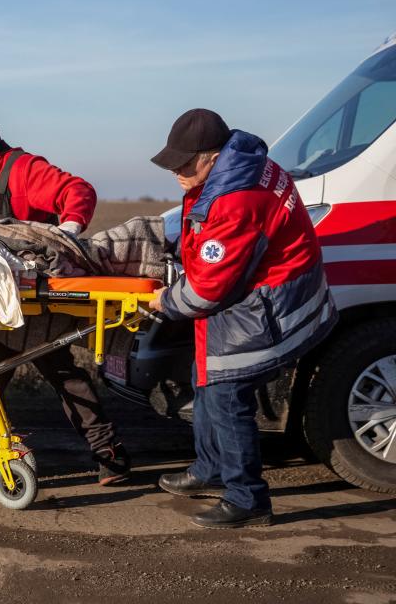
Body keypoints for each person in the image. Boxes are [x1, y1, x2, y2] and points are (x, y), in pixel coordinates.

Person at [149, 108, 337, 528]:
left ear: (213, 158)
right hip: (253, 293)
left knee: (225, 393)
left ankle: (247, 499)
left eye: (185, 162)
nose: (176, 170)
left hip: (266, 303)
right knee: (204, 375)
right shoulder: (243, 166)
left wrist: (166, 301)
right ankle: (210, 468)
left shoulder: (236, 198)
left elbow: (208, 289)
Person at [0, 105, 131, 485]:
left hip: (31, 297)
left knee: (58, 368)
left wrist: (67, 233)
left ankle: (109, 452)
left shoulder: (23, 170)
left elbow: (78, 191)